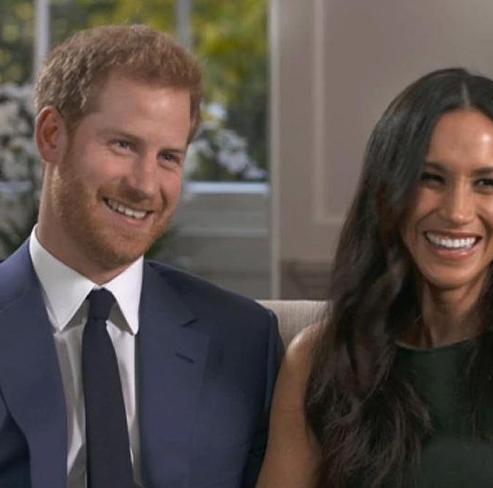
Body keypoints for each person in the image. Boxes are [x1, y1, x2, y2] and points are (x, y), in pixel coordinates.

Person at [257, 68, 493, 487]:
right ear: (386, 191)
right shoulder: (317, 359)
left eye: (486, 183)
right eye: (430, 178)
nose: (458, 211)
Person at [0, 25, 282, 488]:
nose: (145, 185)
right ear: (52, 136)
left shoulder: (244, 341)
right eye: (124, 145)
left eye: (169, 157)